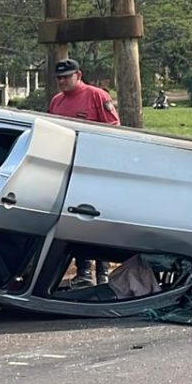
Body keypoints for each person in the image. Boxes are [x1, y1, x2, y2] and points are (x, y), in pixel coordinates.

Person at [48, 58, 119, 288]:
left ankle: (103, 271)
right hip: (69, 169)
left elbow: (113, 128)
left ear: (78, 75)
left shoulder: (96, 96)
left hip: (94, 168)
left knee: (98, 222)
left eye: (66, 76)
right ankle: (84, 271)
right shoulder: (56, 101)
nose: (62, 81)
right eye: (59, 78)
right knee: (76, 222)